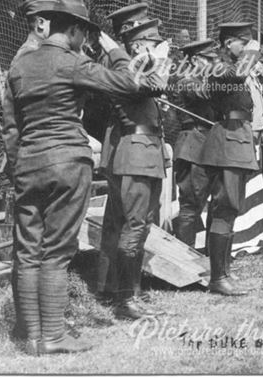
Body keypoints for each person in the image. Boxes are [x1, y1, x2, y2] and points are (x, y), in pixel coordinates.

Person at [2, 0, 162, 354]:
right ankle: (54, 336)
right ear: (74, 30)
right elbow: (130, 82)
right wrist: (114, 48)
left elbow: (10, 129)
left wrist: (18, 168)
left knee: (27, 252)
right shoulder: (72, 63)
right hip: (68, 163)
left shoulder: (19, 65)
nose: (85, 40)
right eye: (84, 34)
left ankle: (30, 336)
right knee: (57, 252)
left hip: (28, 163)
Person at [96, 16, 169, 320]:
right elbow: (156, 83)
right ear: (138, 45)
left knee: (138, 225)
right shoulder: (127, 66)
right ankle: (125, 301)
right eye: (153, 42)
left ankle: (125, 291)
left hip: (144, 152)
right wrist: (157, 59)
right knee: (134, 225)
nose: (159, 48)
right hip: (136, 153)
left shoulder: (131, 65)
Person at [197, 22, 263, 295]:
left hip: (237, 139)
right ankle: (217, 278)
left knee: (230, 208)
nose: (247, 48)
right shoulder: (218, 66)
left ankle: (223, 272)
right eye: (242, 43)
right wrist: (254, 51)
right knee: (225, 209)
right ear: (227, 44)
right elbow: (236, 77)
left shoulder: (231, 67)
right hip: (228, 141)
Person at [170, 39, 218, 247]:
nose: (213, 63)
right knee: (191, 205)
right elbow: (206, 93)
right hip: (193, 146)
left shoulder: (204, 78)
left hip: (209, 145)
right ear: (196, 59)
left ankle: (210, 259)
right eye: (209, 59)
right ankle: (184, 262)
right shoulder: (185, 80)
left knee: (215, 204)